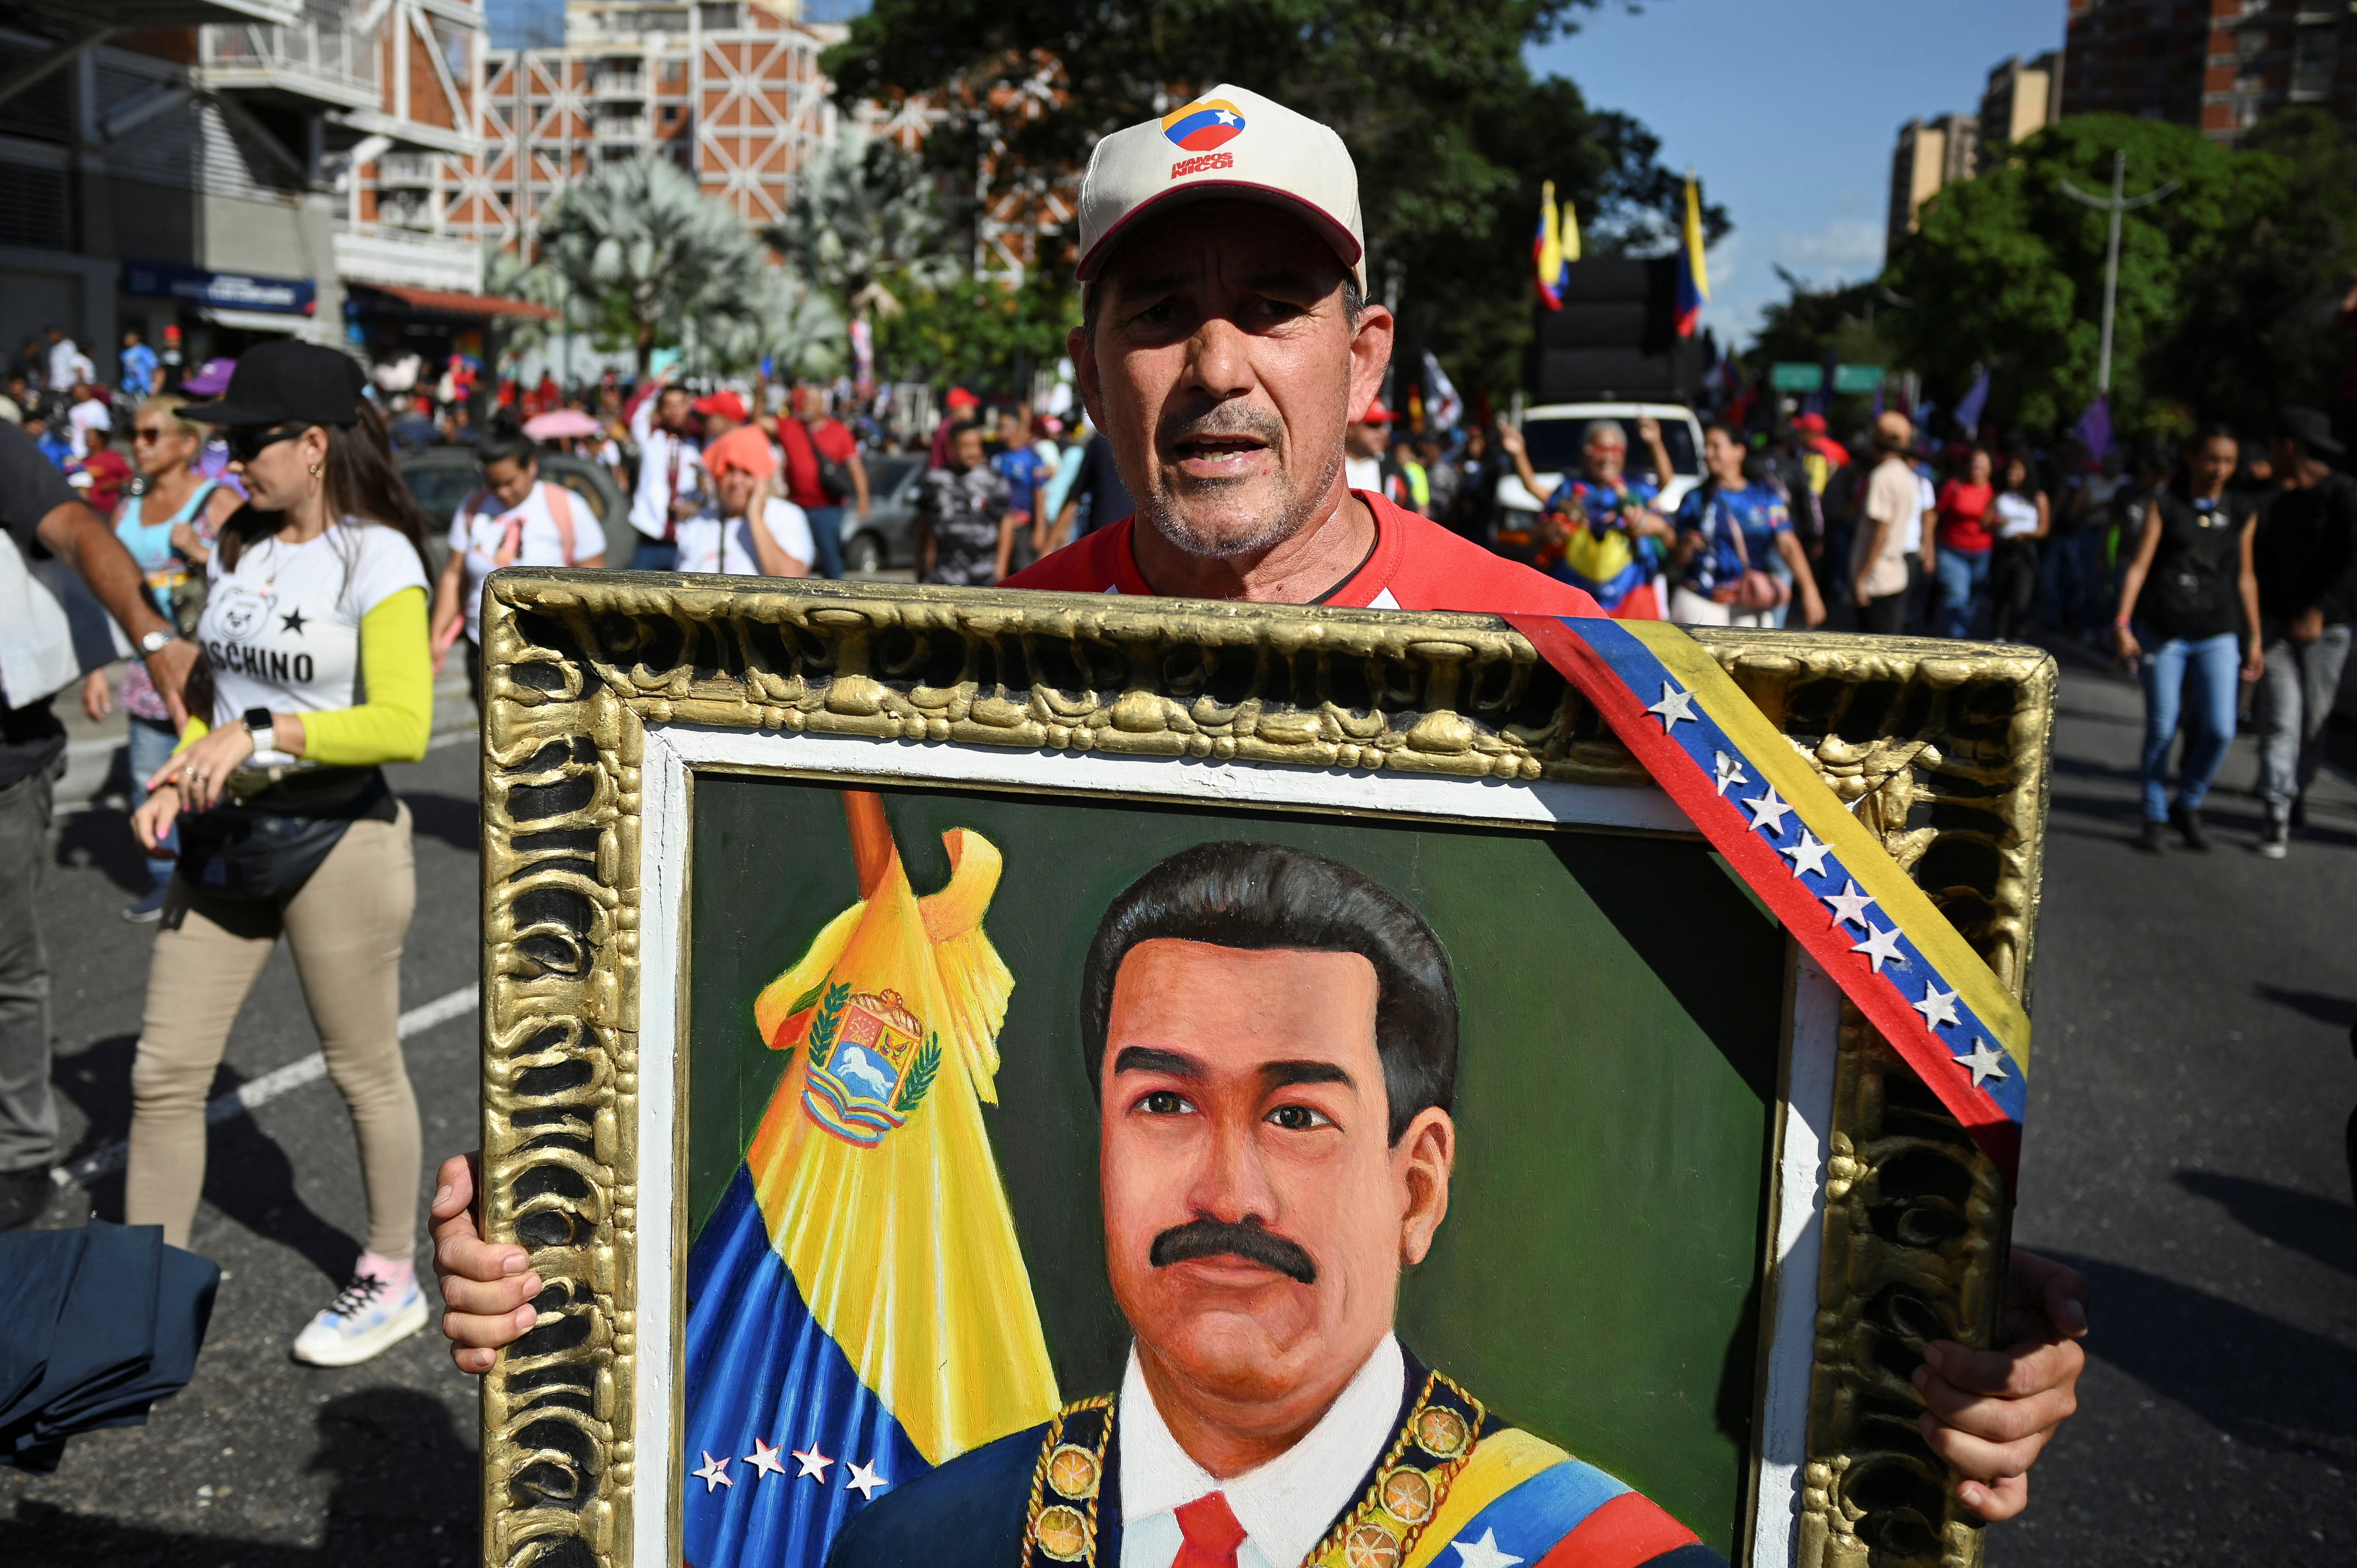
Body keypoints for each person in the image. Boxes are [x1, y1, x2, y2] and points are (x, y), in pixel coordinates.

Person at [430, 81, 2088, 1528]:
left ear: (1359, 354)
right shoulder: (955, 694)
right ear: (1090, 361)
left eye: (1272, 303)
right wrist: (565, 1253)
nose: (1213, 361)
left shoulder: (1596, 691)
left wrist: (1920, 1290)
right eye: (1157, 309)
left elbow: (1800, 1100)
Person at [126, 339, 436, 1362]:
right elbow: (214, 696)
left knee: (362, 1070)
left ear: (312, 444)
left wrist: (264, 739)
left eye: (249, 443)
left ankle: (391, 1276)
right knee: (164, 1074)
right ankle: (139, 1303)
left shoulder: (377, 554)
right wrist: (179, 769)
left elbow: (401, 724)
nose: (231, 461)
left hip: (338, 839)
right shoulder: (240, 545)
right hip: (230, 837)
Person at [0, 420, 198, 1229]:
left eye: (156, 431)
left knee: (7, 966)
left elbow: (80, 529)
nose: (144, 441)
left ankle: (19, 1156)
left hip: (7, 765)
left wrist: (154, 646)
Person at [95, 393, 243, 920]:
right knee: (146, 778)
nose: (138, 445)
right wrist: (95, 668)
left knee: (211, 778)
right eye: (135, 434)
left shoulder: (217, 502)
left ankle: (219, 875)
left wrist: (200, 554)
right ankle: (167, 880)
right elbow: (109, 591)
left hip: (208, 669)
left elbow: (256, 581)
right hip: (145, 669)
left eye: (151, 435)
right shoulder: (126, 509)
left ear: (187, 444)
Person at [2112, 424, 2264, 854]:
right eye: (2212, 459)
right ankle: (2154, 813)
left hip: (2219, 631)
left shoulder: (2242, 510)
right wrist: (2123, 622)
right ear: (2193, 459)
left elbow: (2246, 577)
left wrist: (2254, 636)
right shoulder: (2165, 503)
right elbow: (2140, 566)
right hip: (2166, 631)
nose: (2220, 469)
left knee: (2222, 727)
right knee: (2163, 726)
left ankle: (2189, 801)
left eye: (2229, 462)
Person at [430, 427, 606, 713]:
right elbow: (454, 574)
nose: (502, 492)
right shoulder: (474, 508)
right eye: (492, 483)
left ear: (531, 466)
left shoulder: (566, 507)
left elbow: (595, 580)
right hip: (485, 648)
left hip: (550, 651)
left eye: (510, 482)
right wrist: (437, 635)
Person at [2250, 405, 2357, 858]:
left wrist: (2321, 610)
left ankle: (2296, 793)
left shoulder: (2344, 495)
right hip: (2276, 630)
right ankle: (2276, 807)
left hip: (2327, 632)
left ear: (2288, 447)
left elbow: (2354, 564)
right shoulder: (2275, 501)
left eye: (2274, 446)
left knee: (2313, 721)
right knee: (2282, 719)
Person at [1498, 416, 1675, 618]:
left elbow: (1665, 481)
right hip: (1576, 599)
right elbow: (1534, 489)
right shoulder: (1570, 489)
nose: (1607, 458)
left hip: (1629, 599)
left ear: (1623, 454)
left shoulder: (1634, 489)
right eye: (1600, 450)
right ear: (1586, 451)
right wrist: (1519, 453)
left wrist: (1655, 442)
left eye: (1614, 450)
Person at [1671, 422, 1825, 628]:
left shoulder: (1766, 497)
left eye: (1716, 446)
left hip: (1751, 601)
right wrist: (1686, 547)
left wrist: (1810, 591)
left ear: (1738, 452)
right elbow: (1677, 561)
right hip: (1699, 602)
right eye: (1706, 447)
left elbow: (1788, 544)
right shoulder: (1694, 499)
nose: (1708, 454)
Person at [675, 425, 813, 579]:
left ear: (763, 479)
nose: (736, 481)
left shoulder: (786, 516)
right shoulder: (698, 523)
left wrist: (755, 516)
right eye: (728, 471)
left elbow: (792, 580)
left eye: (747, 472)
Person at [778, 382, 865, 580]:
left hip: (828, 508)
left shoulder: (839, 431)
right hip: (797, 506)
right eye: (804, 400)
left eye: (811, 401)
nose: (806, 404)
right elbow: (760, 421)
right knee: (795, 557)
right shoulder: (792, 426)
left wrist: (863, 499)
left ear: (822, 406)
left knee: (830, 558)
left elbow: (856, 467)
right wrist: (787, 400)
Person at [917, 420, 1017, 585]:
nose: (973, 452)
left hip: (985, 575)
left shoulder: (994, 480)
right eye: (966, 446)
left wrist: (1001, 569)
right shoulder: (935, 480)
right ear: (951, 447)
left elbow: (1006, 522)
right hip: (945, 576)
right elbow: (925, 525)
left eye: (977, 446)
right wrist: (922, 563)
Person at [626, 374, 703, 570]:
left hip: (688, 538)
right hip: (650, 537)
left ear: (689, 407)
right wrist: (656, 386)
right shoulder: (651, 438)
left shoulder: (698, 444)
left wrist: (697, 505)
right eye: (668, 405)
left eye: (680, 405)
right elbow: (632, 416)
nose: (674, 411)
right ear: (660, 410)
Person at [1932, 448, 1998, 639]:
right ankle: (1956, 640)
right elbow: (1936, 514)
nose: (1977, 468)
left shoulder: (1994, 493)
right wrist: (1928, 546)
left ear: (1990, 469)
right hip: (1952, 550)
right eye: (1974, 463)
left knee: (1971, 600)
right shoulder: (1955, 486)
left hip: (1982, 554)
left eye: (1982, 464)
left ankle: (1959, 631)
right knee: (1958, 594)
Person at [1986, 450, 2050, 643]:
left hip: (2024, 551)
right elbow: (1986, 522)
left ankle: (2018, 635)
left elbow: (2044, 528)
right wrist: (1998, 524)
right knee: (2001, 593)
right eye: (2010, 471)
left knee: (2021, 596)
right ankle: (1999, 634)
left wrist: (2026, 534)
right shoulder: (2001, 497)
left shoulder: (2038, 498)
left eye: (2017, 471)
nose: (2012, 475)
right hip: (2004, 549)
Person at [1046, 427, 1136, 553]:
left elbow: (1075, 494)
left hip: (1102, 534)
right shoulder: (1149, 442)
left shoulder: (1101, 440)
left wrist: (1048, 549)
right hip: (1134, 536)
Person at [991, 404, 1055, 546]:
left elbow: (1039, 493)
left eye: (1002, 426)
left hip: (1024, 527)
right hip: (1000, 525)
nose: (998, 430)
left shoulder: (1032, 458)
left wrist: (1040, 529)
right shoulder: (996, 455)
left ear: (1014, 428)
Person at [66, 383, 112, 460]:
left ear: (87, 389)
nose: (76, 392)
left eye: (79, 389)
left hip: (92, 454)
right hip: (75, 453)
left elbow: (105, 430)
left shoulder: (98, 407)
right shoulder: (73, 411)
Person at [119, 328, 161, 402]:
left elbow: (154, 368)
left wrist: (154, 386)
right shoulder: (125, 353)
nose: (127, 339)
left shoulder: (144, 351)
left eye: (129, 337)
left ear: (136, 337)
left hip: (144, 389)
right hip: (129, 389)